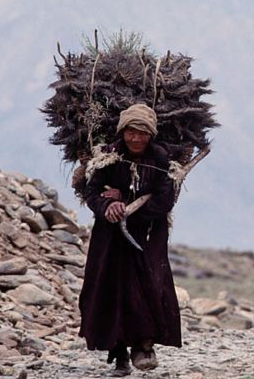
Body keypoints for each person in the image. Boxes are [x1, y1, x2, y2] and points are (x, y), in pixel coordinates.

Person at [78, 103, 182, 376]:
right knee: (111, 289)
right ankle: (118, 353)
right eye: (131, 132)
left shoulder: (161, 160)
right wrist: (106, 207)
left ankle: (144, 344)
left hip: (148, 235)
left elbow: (164, 200)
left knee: (149, 286)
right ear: (122, 132)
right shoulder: (109, 157)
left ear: (151, 134)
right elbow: (91, 191)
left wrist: (126, 205)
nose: (136, 138)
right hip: (110, 237)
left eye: (142, 133)